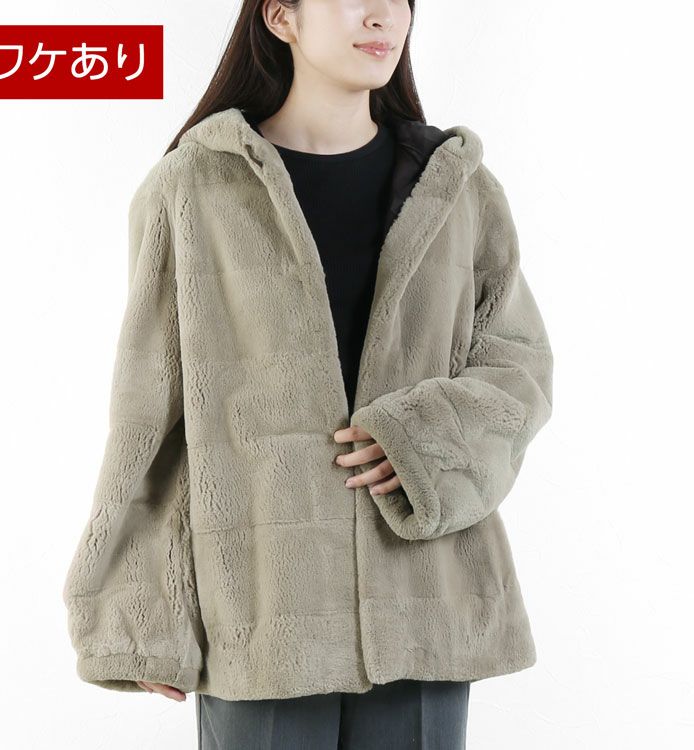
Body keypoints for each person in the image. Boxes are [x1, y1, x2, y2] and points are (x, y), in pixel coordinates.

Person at [62, 1, 554, 748]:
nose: (382, 16)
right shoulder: (194, 186)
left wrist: (421, 443)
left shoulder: (457, 187)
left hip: (424, 604)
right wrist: (140, 610)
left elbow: (519, 364)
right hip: (262, 612)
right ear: (281, 17)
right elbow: (149, 411)